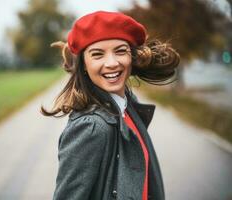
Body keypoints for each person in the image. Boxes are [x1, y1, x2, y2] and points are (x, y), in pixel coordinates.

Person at [41, 11, 180, 200]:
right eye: (97, 54)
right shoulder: (90, 127)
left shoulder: (127, 107)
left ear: (132, 56)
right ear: (83, 64)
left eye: (120, 51)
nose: (112, 63)